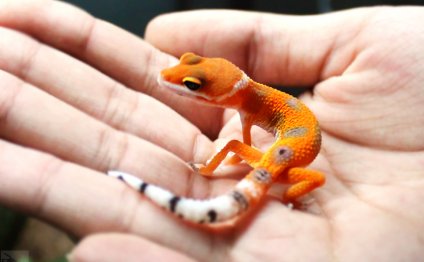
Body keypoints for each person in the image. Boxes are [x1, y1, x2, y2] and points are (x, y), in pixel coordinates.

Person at [0, 1, 423, 261]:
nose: (180, 81)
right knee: (246, 149)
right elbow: (246, 132)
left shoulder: (250, 105)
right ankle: (220, 178)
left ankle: (208, 175)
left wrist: (280, 188)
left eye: (191, 85)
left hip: (292, 157)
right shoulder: (249, 100)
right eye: (191, 72)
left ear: (226, 92)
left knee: (249, 152)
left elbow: (244, 138)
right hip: (291, 147)